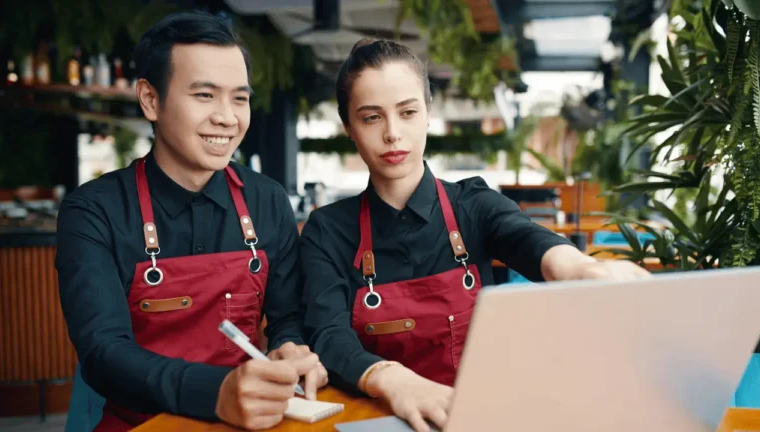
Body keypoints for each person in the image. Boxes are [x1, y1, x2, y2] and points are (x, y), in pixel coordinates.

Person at [299, 39, 651, 432]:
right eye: (371, 118)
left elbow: (526, 238)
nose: (393, 133)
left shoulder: (475, 205)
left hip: (473, 418)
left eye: (408, 112)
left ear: (428, 114)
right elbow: (328, 335)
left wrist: (583, 270)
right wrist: (393, 380)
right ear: (348, 126)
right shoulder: (327, 230)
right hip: (374, 416)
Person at [56, 11, 327, 432]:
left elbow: (286, 315)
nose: (227, 117)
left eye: (239, 98)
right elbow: (103, 353)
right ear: (150, 99)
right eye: (204, 95)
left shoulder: (267, 199)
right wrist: (218, 392)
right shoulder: (94, 211)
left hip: (249, 421)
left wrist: (289, 347)